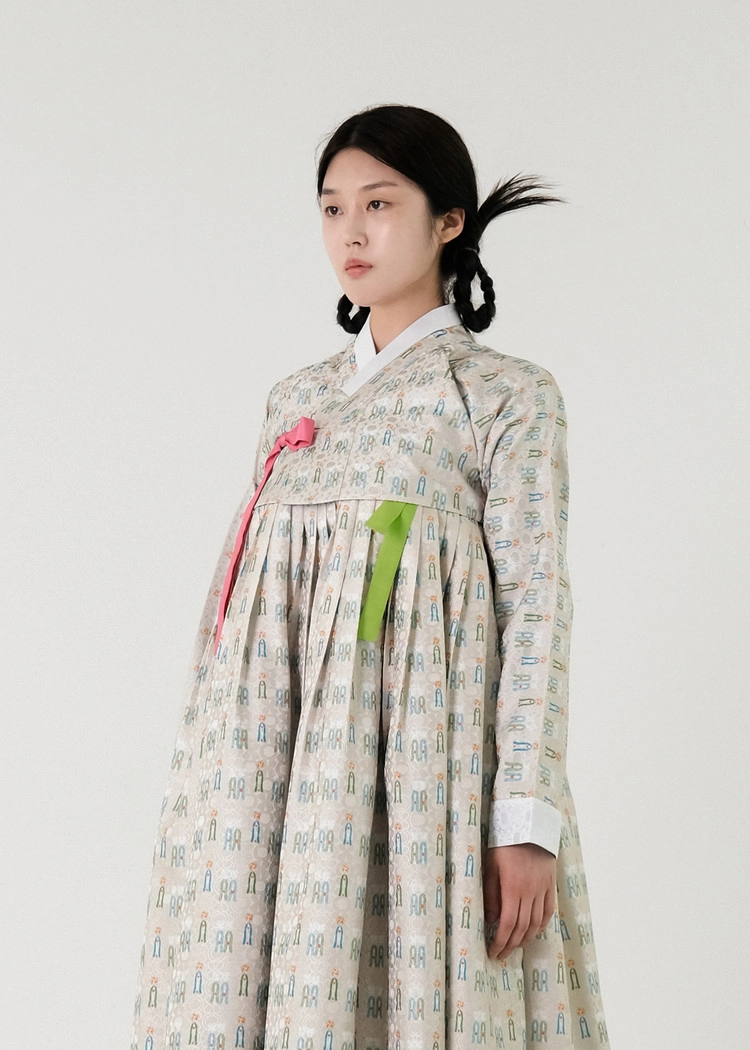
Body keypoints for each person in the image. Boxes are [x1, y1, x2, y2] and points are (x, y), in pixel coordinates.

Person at [130, 103, 610, 1050]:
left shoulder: (503, 396)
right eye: (332, 207)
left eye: (379, 204)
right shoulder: (296, 400)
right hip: (264, 769)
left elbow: (537, 609)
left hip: (428, 768)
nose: (350, 231)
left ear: (449, 221)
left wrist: (525, 816)